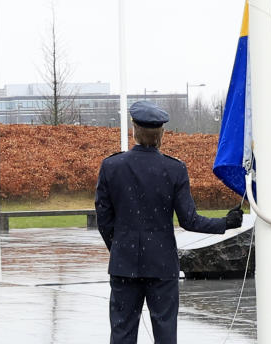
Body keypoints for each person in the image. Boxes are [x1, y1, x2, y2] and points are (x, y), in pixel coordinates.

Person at [95, 101, 243, 344]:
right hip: (162, 265)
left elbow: (104, 217)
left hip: (124, 265)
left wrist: (121, 246)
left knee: (122, 333)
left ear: (134, 130)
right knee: (165, 334)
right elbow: (189, 220)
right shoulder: (174, 169)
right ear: (161, 134)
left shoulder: (112, 166)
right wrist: (225, 223)